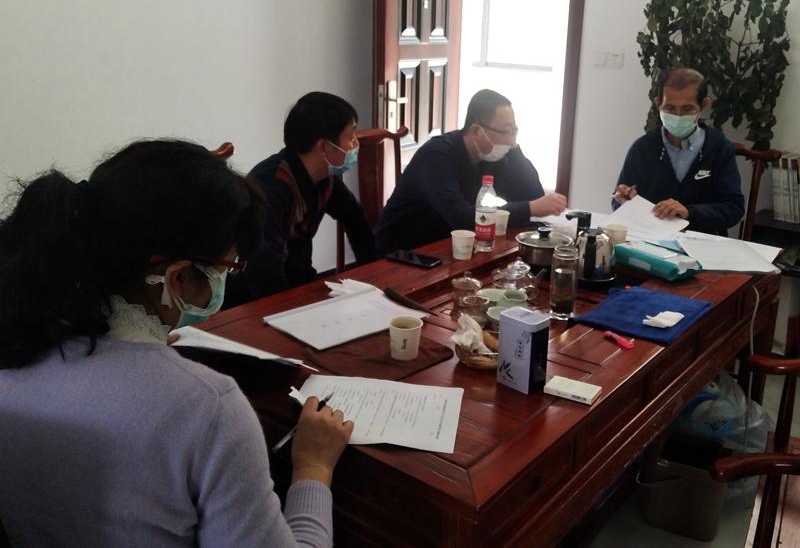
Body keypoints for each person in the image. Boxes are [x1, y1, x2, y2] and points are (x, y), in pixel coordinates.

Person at [0, 139, 353, 548]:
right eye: (228, 269)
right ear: (178, 277)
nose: (227, 282)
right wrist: (313, 468)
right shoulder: (207, 408)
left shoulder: (19, 335)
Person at [225, 92, 376, 307]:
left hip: (300, 288)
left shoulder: (325, 179)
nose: (356, 143)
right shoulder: (272, 187)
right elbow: (263, 270)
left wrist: (372, 279)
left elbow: (356, 219)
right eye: (351, 136)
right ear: (324, 147)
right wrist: (291, 316)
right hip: (253, 302)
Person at [377, 89, 567, 254]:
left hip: (450, 245)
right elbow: (461, 217)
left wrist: (515, 148)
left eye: (514, 131)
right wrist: (531, 208)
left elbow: (532, 196)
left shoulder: (490, 155)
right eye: (505, 132)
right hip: (404, 251)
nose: (509, 139)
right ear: (476, 131)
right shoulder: (437, 156)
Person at [613, 67, 745, 235]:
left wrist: (690, 213)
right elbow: (618, 202)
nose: (678, 116)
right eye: (669, 108)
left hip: (701, 240)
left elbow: (733, 208)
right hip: (650, 239)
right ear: (658, 103)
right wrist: (623, 200)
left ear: (704, 105)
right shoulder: (642, 148)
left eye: (687, 109)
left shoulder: (720, 149)